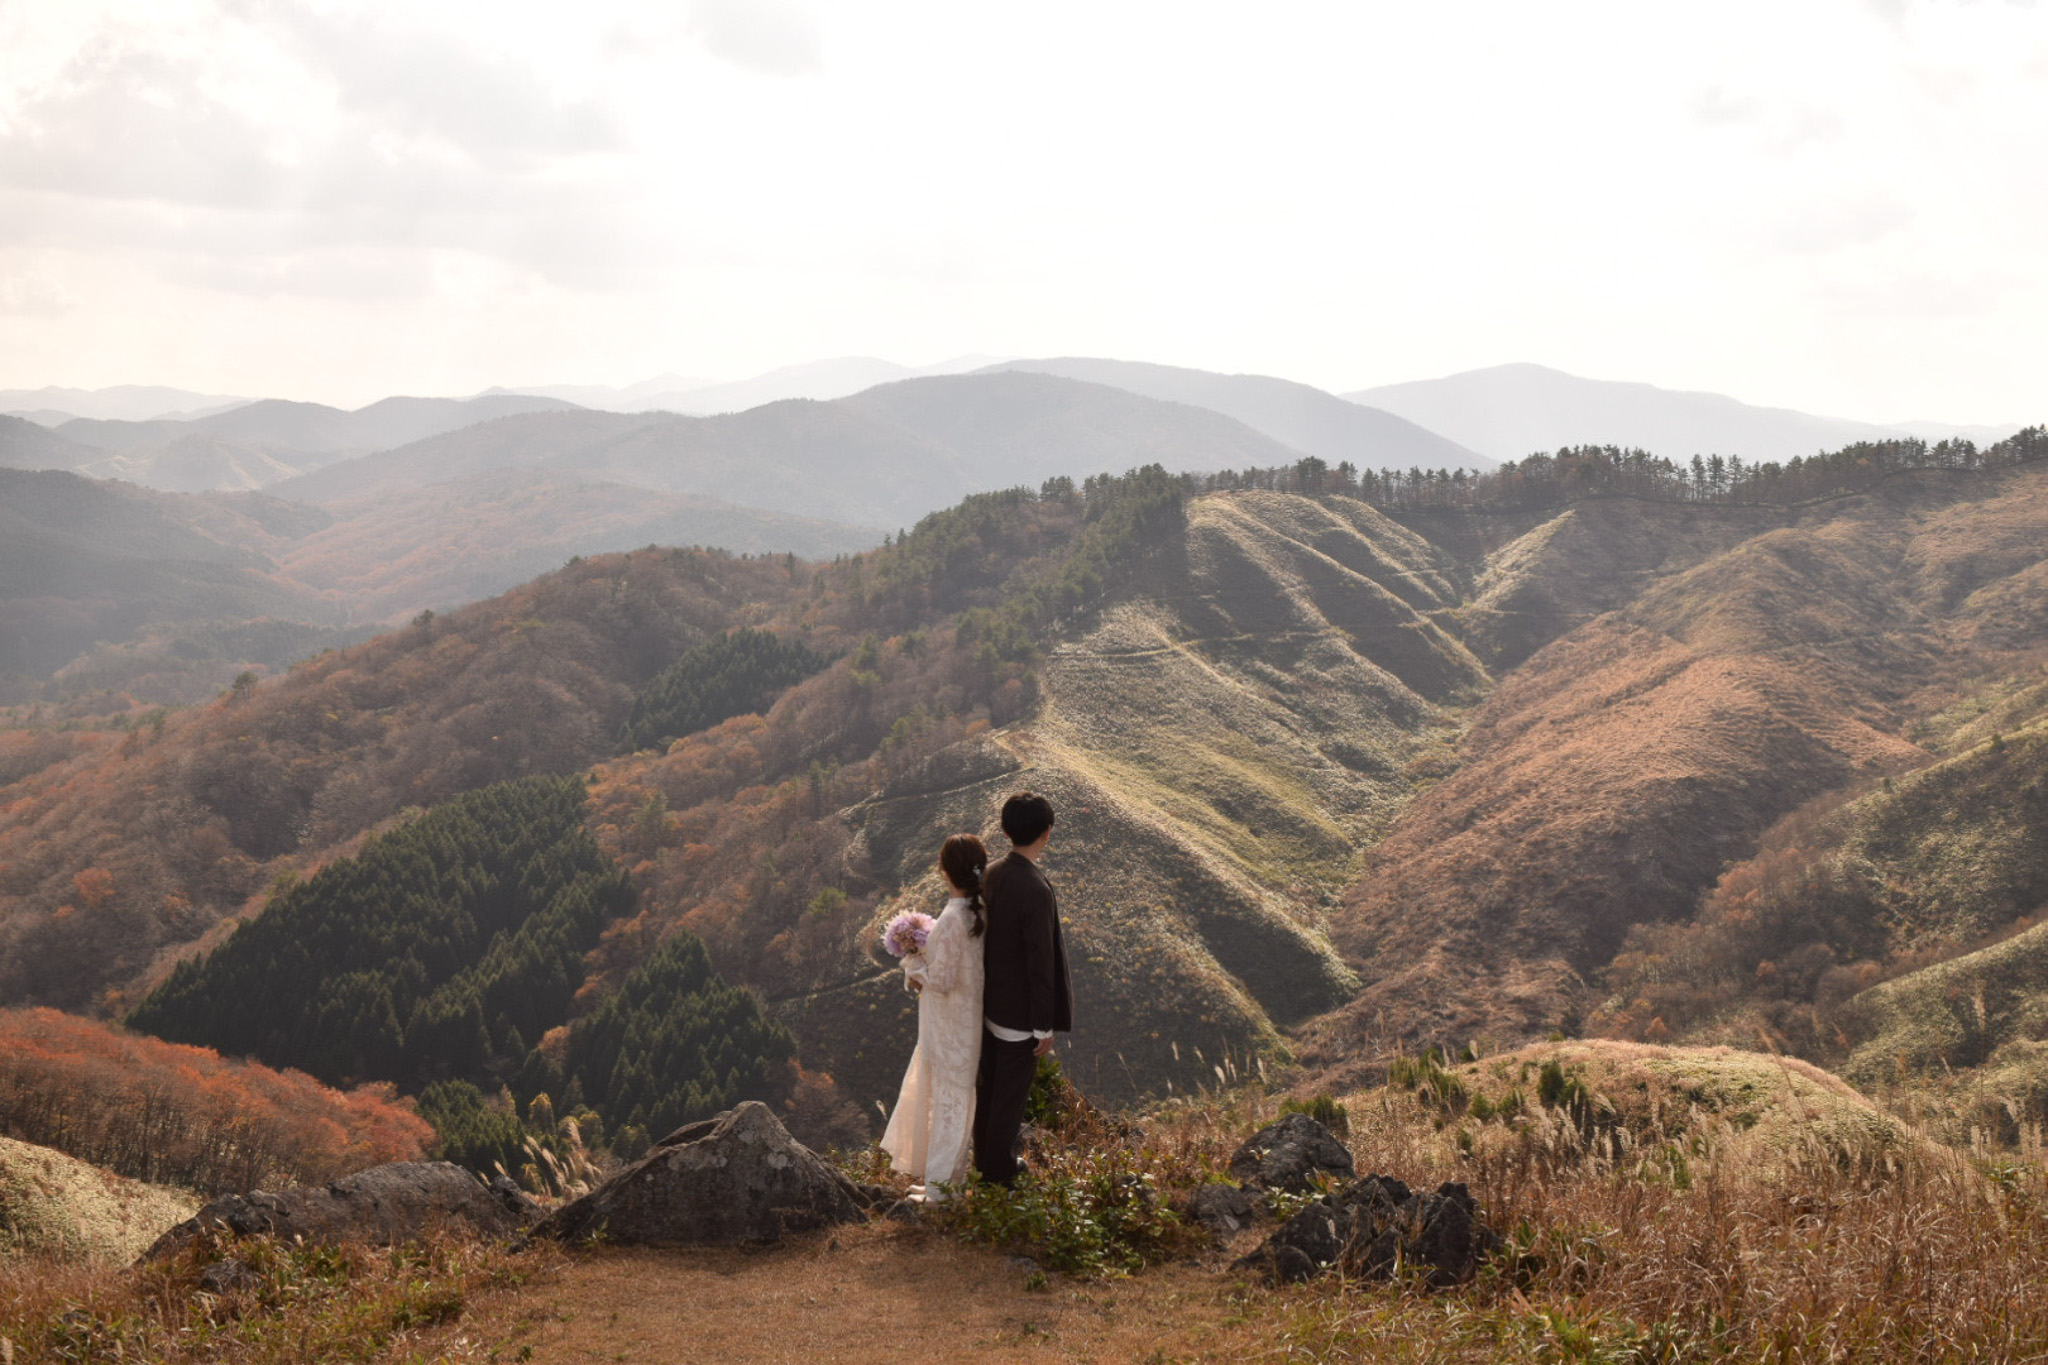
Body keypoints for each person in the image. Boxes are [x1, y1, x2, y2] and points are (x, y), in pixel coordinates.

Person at [879, 833, 988, 1198]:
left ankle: (941, 1192)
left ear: (944, 871)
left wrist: (912, 963)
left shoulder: (953, 918)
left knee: (948, 1101)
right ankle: (944, 1185)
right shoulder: (978, 911)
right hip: (965, 1017)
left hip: (949, 1023)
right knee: (954, 1099)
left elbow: (941, 980)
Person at [973, 790, 1073, 1186]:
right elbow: (1040, 963)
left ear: (1005, 830)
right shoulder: (1035, 888)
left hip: (990, 1004)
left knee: (989, 1091)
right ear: (1047, 832)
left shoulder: (993, 872)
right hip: (1019, 1017)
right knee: (1009, 1100)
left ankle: (984, 1162)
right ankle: (999, 1174)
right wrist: (1043, 1025)